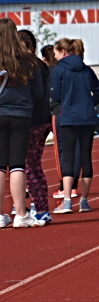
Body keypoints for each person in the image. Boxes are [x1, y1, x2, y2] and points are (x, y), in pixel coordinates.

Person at [0, 19, 46, 228]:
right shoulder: (28, 60)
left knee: (0, 166)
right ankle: (20, 214)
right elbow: (38, 93)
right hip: (21, 114)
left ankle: (1, 215)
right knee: (17, 165)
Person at [50, 38, 99, 214]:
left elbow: (55, 95)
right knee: (86, 158)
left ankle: (67, 201)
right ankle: (84, 201)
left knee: (68, 158)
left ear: (63, 52)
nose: (54, 56)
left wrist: (64, 103)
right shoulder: (87, 69)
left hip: (68, 117)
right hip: (87, 117)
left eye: (55, 53)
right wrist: (89, 103)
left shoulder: (59, 70)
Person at [18, 30, 53, 223]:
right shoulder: (41, 64)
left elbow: (36, 93)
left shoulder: (27, 65)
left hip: (31, 120)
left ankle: (39, 208)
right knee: (34, 165)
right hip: (43, 119)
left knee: (27, 167)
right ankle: (39, 206)